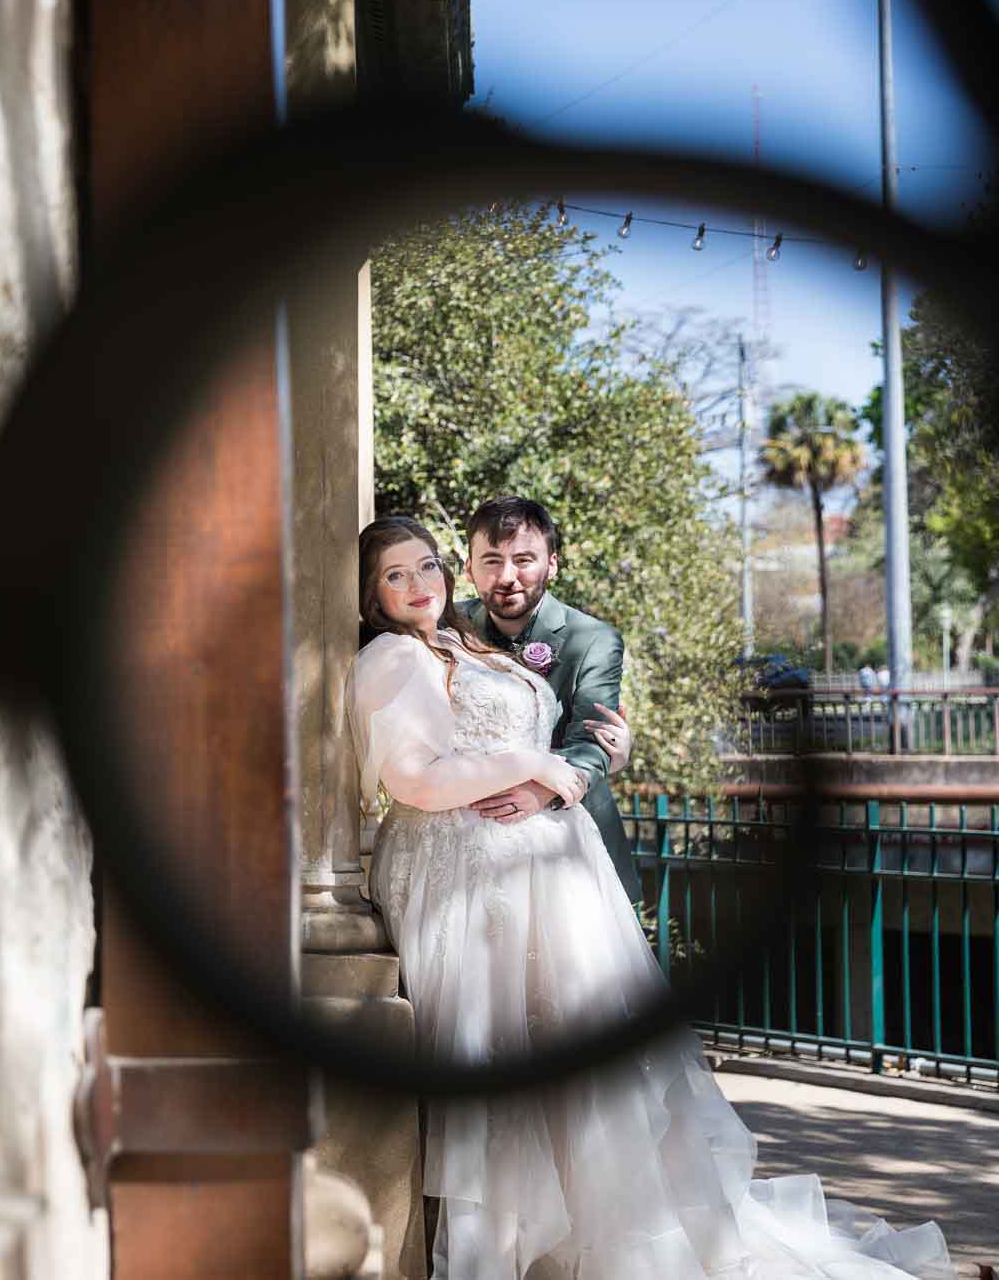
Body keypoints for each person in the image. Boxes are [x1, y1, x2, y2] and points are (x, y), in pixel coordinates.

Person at [348, 516, 953, 1280]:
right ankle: (498, 1250)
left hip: (552, 879)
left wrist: (588, 754)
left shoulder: (472, 640)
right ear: (372, 593)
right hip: (480, 884)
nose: (417, 584)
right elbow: (416, 777)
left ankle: (601, 1238)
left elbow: (589, 730)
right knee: (508, 1059)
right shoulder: (397, 658)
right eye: (394, 575)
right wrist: (523, 760)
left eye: (425, 565)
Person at [455, 496, 639, 904]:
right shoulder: (448, 626)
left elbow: (595, 739)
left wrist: (544, 792)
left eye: (524, 560)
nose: (507, 576)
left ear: (551, 563)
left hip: (566, 841)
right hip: (468, 844)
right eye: (491, 561)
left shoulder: (592, 640)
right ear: (469, 567)